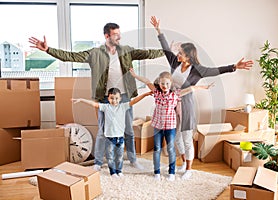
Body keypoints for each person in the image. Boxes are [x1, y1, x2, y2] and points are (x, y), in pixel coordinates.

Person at [29, 23, 165, 170]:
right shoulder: (95, 53)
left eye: (119, 34)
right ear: (107, 36)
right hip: (105, 97)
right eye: (115, 34)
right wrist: (48, 49)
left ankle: (133, 160)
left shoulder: (127, 50)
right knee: (102, 132)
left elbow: (149, 54)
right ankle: (98, 163)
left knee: (128, 131)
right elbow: (70, 57)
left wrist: (167, 50)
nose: (119, 37)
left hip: (124, 96)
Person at [150, 16, 254, 179]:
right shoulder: (174, 63)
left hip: (187, 105)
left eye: (181, 53)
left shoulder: (198, 70)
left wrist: (234, 66)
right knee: (176, 138)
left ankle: (189, 169)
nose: (178, 54)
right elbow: (165, 49)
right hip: (172, 104)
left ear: (189, 57)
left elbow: (216, 70)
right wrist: (158, 30)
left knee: (186, 138)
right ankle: (184, 161)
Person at [130, 69, 214, 181]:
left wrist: (205, 87)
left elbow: (191, 89)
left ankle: (172, 173)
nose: (165, 86)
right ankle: (157, 173)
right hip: (158, 126)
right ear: (159, 83)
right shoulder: (156, 93)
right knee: (157, 149)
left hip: (170, 126)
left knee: (170, 148)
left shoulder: (175, 94)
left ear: (171, 84)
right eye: (162, 83)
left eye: (167, 84)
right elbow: (146, 81)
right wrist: (135, 75)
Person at [71, 88, 151, 178]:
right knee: (110, 157)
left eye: (116, 98)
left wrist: (145, 94)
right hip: (109, 139)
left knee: (119, 157)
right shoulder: (105, 107)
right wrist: (81, 100)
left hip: (120, 138)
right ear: (108, 99)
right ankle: (113, 172)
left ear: (120, 98)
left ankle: (119, 171)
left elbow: (135, 100)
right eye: (112, 98)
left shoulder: (123, 106)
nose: (114, 101)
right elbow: (93, 104)